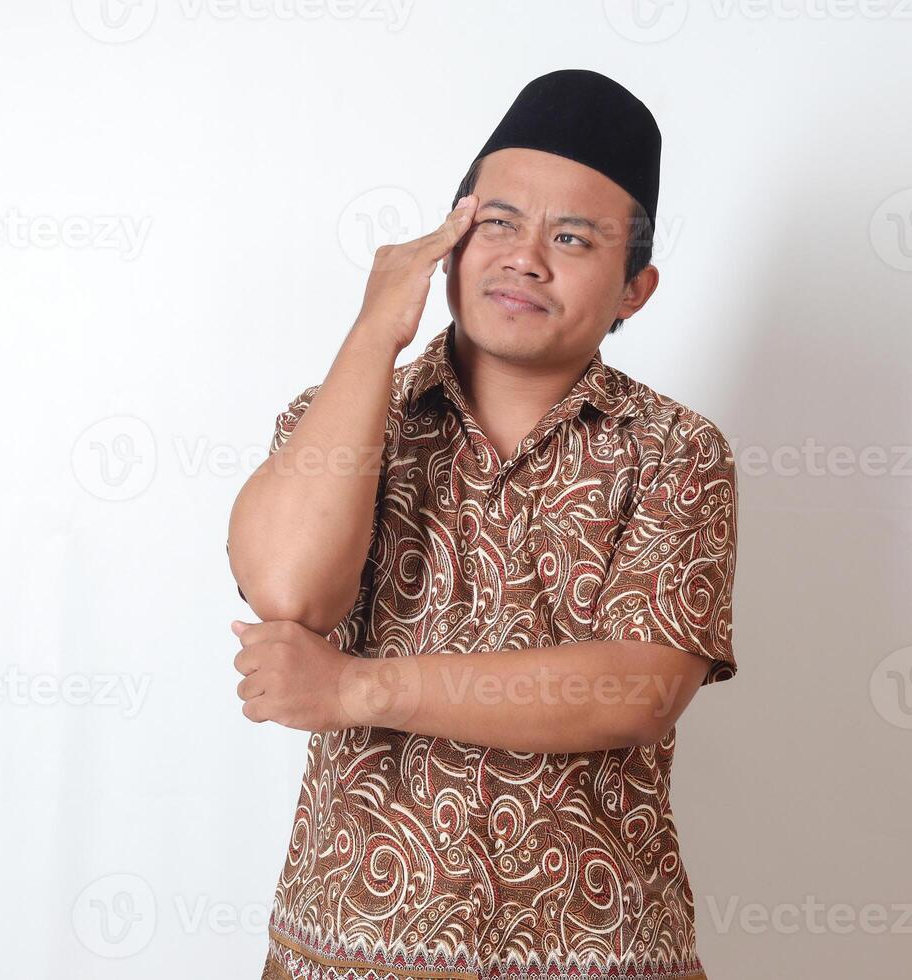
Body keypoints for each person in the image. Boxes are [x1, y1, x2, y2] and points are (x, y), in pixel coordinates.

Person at [228, 68, 740, 980]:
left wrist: (353, 689)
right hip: (346, 952)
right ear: (447, 242)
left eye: (573, 238)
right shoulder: (344, 414)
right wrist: (371, 335)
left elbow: (634, 691)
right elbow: (288, 589)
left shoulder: (675, 453)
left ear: (635, 289)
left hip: (598, 957)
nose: (525, 257)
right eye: (496, 223)